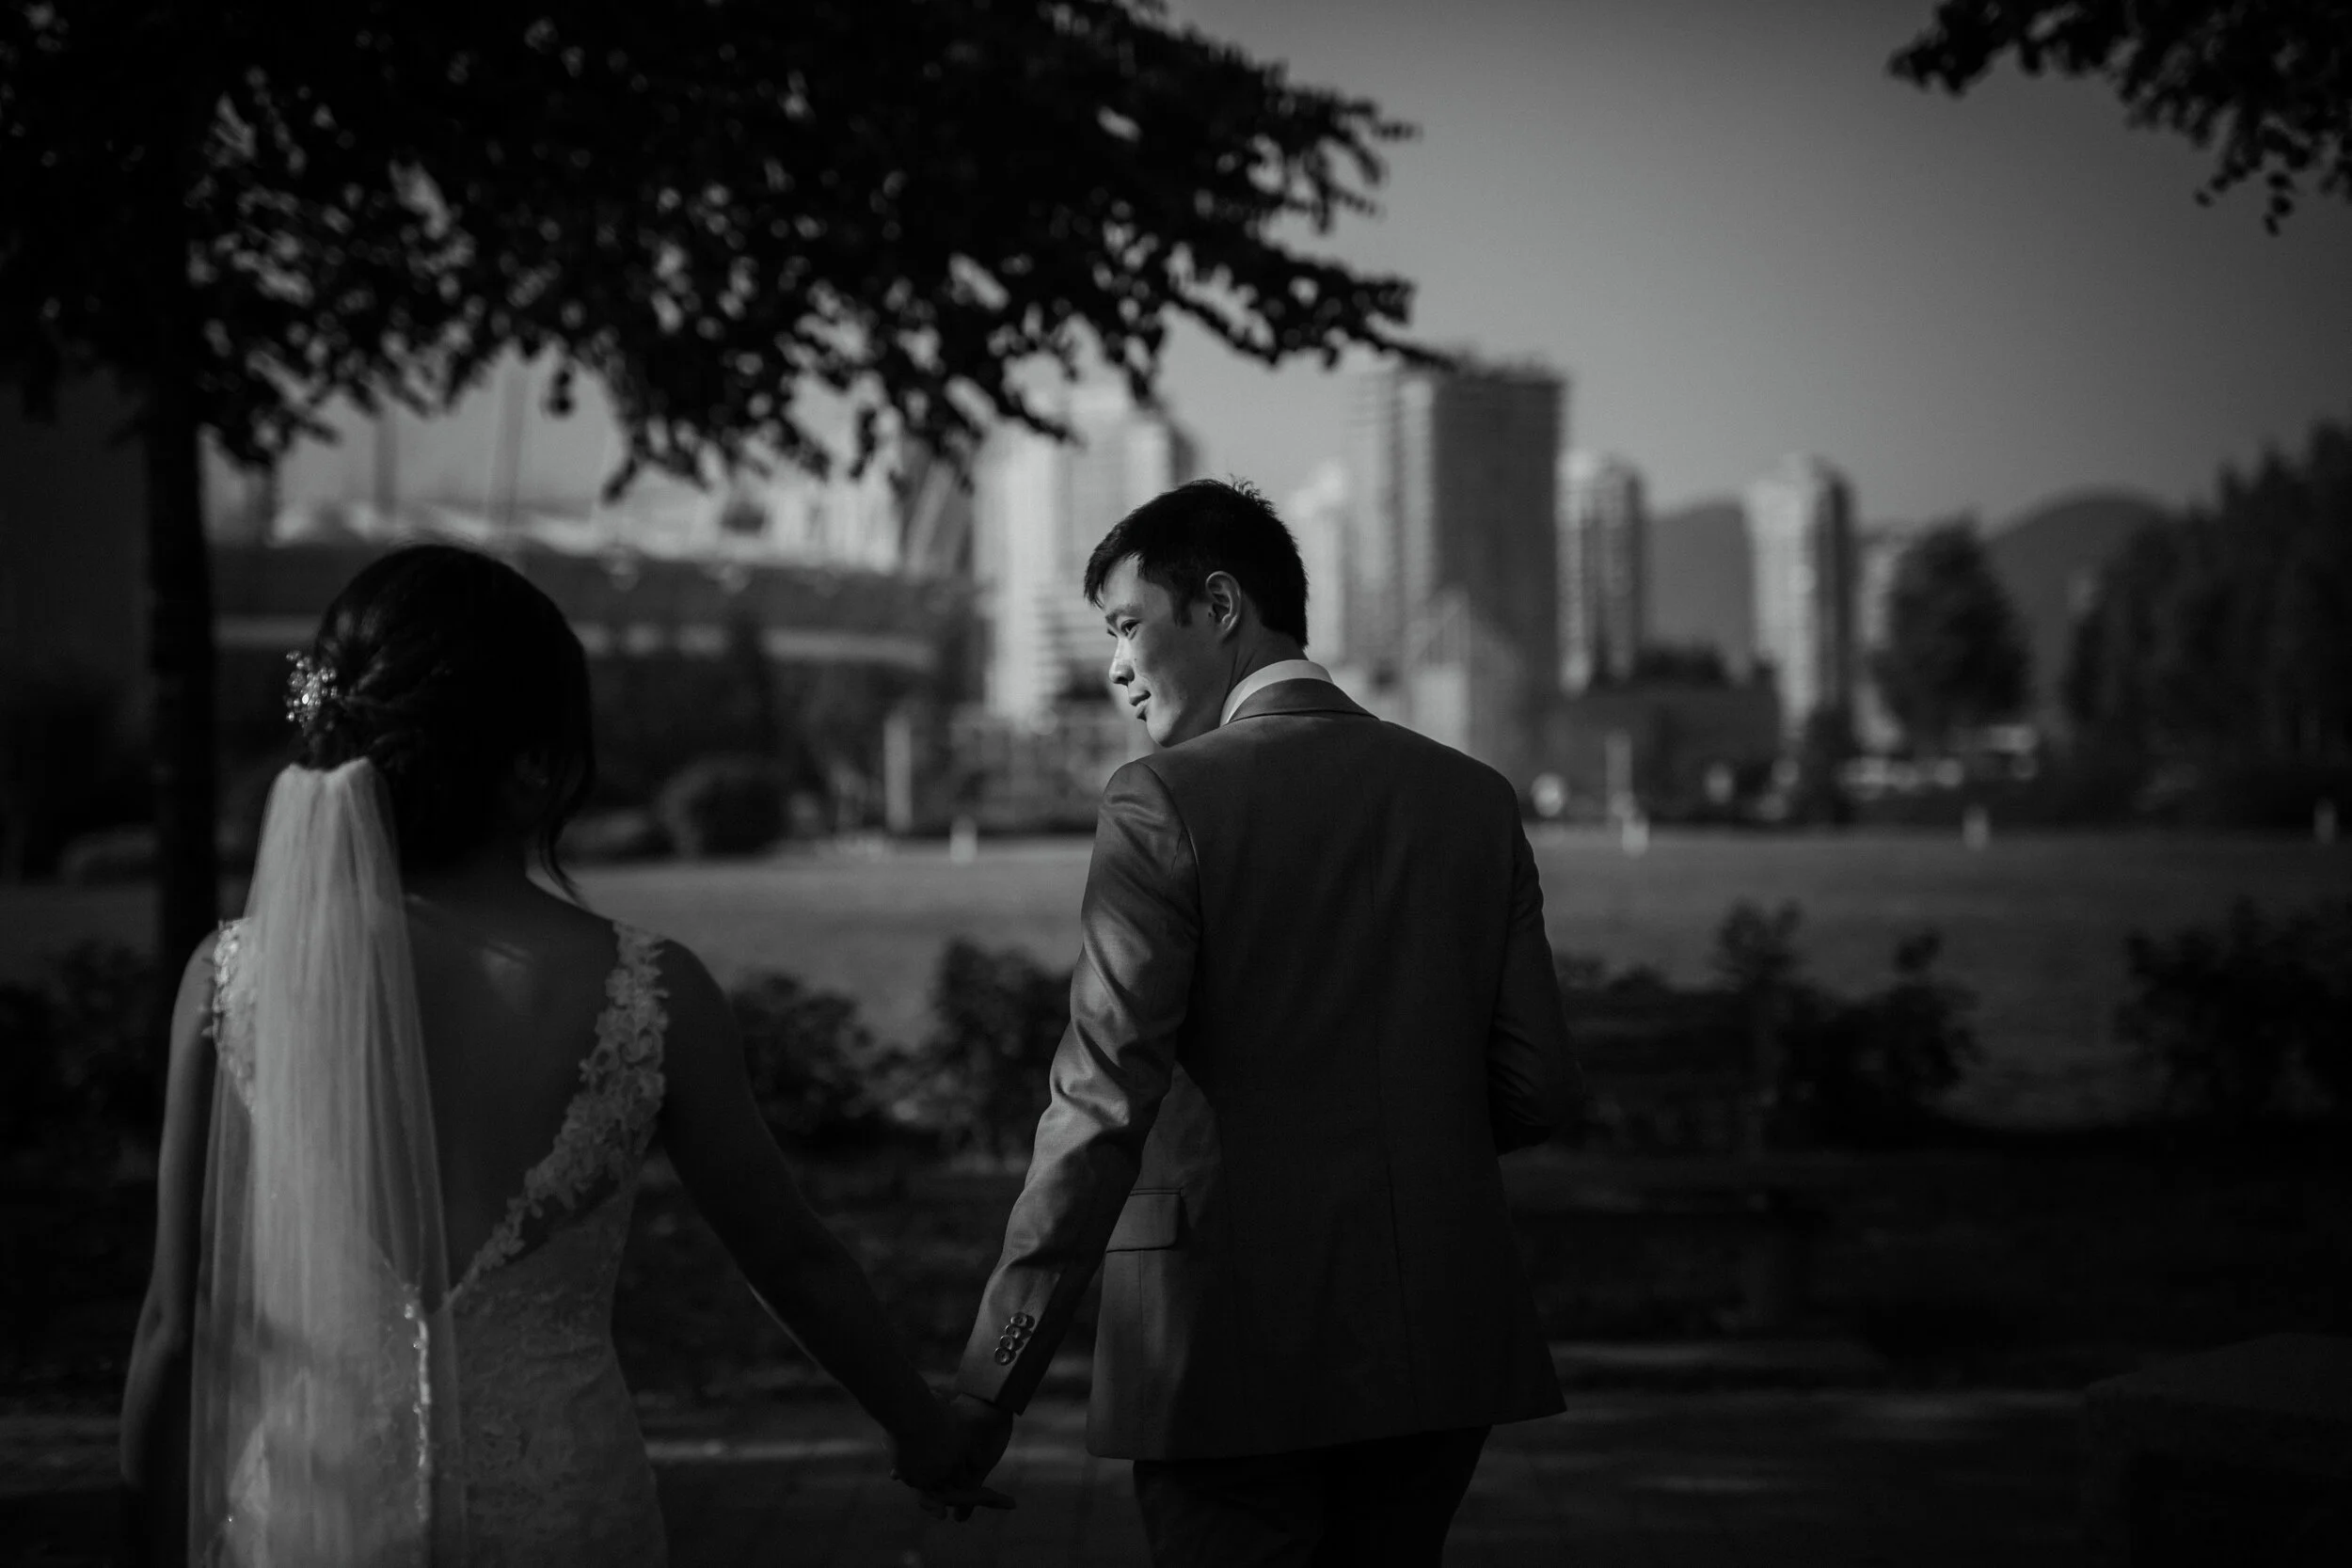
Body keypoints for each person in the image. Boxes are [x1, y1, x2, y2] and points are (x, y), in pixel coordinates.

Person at [118, 544, 1004, 1566]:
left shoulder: (230, 979)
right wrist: (925, 1429)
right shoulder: (648, 990)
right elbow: (790, 1256)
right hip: (560, 1514)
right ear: (537, 761)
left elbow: (174, 1328)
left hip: (311, 1517)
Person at [937, 479, 1579, 1564]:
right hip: (1438, 1338)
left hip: (1217, 1346)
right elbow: (1537, 1087)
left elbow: (1098, 1105)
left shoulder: (1159, 802)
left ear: (1221, 605)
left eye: (1129, 625)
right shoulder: (1471, 798)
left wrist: (992, 1377)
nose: (1116, 666)